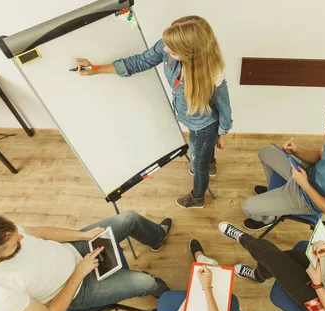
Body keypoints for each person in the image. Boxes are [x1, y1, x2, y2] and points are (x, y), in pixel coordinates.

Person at [76, 15, 232, 209]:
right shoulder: (169, 45)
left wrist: (223, 133)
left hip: (205, 125)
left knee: (196, 165)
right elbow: (140, 62)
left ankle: (198, 198)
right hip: (190, 119)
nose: (164, 49)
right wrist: (95, 69)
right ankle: (210, 164)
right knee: (202, 152)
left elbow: (225, 109)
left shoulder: (213, 75)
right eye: (166, 44)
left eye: (172, 51)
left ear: (190, 54)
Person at [0, 211, 171, 311]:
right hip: (78, 289)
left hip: (75, 250)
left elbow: (40, 232)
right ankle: (164, 294)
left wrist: (82, 235)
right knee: (145, 282)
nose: (21, 237)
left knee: (128, 218)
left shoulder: (1, 234)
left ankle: (157, 237)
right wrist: (80, 272)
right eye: (15, 244)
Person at [242, 102, 325, 230]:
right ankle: (273, 192)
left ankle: (267, 218)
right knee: (265, 152)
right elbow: (320, 155)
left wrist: (305, 184)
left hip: (306, 199)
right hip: (306, 172)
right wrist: (296, 150)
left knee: (247, 207)